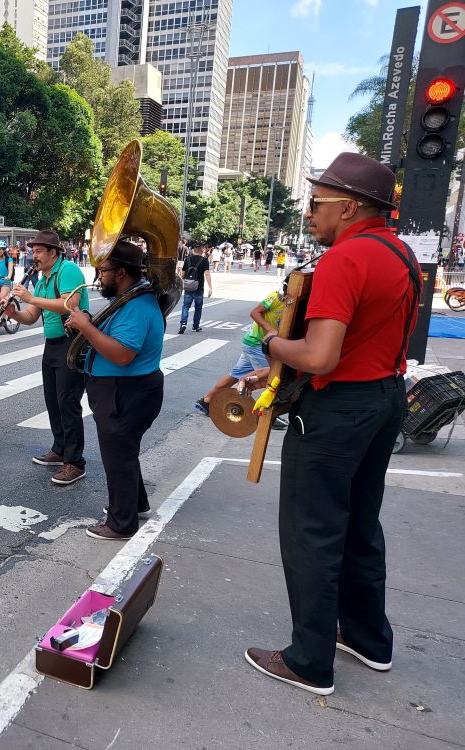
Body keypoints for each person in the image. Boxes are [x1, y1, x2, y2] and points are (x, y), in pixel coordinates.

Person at [243, 152, 421, 697]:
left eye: (317, 204)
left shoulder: (345, 260)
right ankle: (368, 638)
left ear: (348, 207)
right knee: (361, 525)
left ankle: (308, 660)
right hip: (385, 396)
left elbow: (319, 357)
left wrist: (269, 340)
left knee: (312, 532)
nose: (308, 214)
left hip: (338, 408)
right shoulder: (402, 253)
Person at [63, 240, 163, 540]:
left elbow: (121, 354)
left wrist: (86, 327)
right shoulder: (131, 298)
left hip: (125, 391)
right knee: (124, 452)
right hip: (124, 389)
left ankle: (121, 523)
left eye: (104, 270)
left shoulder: (136, 305)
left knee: (117, 455)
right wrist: (86, 325)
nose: (99, 276)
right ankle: (136, 504)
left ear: (121, 272)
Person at [4, 230, 89, 486]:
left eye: (39, 251)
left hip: (71, 343)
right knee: (53, 400)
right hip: (52, 345)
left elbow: (68, 304)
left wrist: (30, 297)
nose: (34, 256)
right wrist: (13, 312)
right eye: (33, 251)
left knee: (68, 402)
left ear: (53, 252)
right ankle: (60, 448)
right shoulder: (42, 279)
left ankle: (74, 462)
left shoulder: (68, 271)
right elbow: (31, 316)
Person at [194, 290, 284, 416]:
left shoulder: (291, 303)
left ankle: (207, 401)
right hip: (257, 344)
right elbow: (254, 312)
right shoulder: (276, 297)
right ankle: (267, 414)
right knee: (271, 379)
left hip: (254, 344)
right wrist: (271, 330)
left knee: (234, 375)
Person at [178, 243, 212, 335]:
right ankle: (195, 326)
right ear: (202, 250)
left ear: (193, 251)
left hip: (188, 287)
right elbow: (207, 274)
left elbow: (183, 274)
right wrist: (210, 287)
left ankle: (183, 324)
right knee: (198, 307)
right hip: (199, 287)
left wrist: (181, 284)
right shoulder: (204, 260)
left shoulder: (187, 259)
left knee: (185, 306)